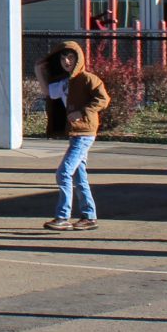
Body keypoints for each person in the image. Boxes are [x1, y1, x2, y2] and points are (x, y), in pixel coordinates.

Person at [40, 41, 110, 231]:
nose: (67, 61)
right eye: (63, 57)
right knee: (80, 176)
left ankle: (63, 217)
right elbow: (47, 91)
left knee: (63, 172)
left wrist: (82, 111)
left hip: (85, 133)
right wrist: (40, 69)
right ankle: (89, 216)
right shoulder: (64, 83)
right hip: (75, 133)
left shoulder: (88, 79)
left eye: (71, 57)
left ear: (78, 59)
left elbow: (103, 99)